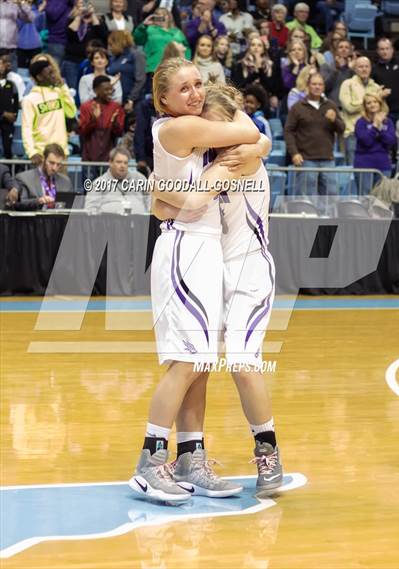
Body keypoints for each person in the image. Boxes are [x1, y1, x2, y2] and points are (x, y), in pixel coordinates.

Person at [128, 57, 263, 503]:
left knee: (201, 365)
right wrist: (222, 171)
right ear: (162, 99)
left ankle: (191, 455)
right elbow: (247, 131)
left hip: (204, 245)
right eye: (183, 89)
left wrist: (189, 190)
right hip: (183, 246)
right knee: (185, 362)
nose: (195, 94)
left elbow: (255, 140)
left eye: (198, 85)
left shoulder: (194, 128)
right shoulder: (177, 128)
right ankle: (149, 461)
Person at [150, 83, 283, 499]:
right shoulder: (208, 159)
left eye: (210, 124)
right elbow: (161, 207)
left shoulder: (241, 156)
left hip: (248, 272)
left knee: (243, 364)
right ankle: (190, 455)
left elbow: (179, 200)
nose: (203, 132)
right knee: (199, 366)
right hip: (211, 270)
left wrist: (259, 141)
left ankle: (268, 449)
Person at [284, 72, 345, 199]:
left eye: (320, 84)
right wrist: (294, 153)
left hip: (327, 159)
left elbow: (342, 129)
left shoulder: (331, 106)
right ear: (308, 86)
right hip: (306, 159)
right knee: (306, 198)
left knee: (331, 197)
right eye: (314, 84)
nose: (317, 87)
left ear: (323, 87)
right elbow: (288, 131)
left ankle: (328, 219)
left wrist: (335, 120)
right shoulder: (297, 107)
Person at [22, 59, 77, 166]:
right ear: (39, 77)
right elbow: (26, 128)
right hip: (42, 155)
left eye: (54, 72)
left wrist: (63, 88)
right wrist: (32, 152)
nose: (54, 76)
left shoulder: (58, 92)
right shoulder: (29, 99)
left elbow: (71, 113)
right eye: (50, 73)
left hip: (61, 153)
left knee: (63, 183)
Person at [339, 56, 386, 165]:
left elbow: (381, 111)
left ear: (370, 68)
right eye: (360, 67)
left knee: (372, 171)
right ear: (355, 69)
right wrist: (374, 98)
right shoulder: (347, 84)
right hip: (352, 134)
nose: (364, 69)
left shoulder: (376, 87)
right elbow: (349, 108)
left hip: (374, 134)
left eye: (366, 66)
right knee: (353, 172)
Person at [85, 146, 150, 214]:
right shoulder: (98, 183)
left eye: (125, 163)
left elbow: (150, 201)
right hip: (110, 223)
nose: (122, 166)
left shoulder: (139, 178)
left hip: (140, 222)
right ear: (110, 162)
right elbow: (90, 209)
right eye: (119, 162)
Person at [354, 93, 397, 195]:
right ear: (365, 106)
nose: (372, 105)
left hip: (383, 165)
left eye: (375, 102)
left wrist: (380, 128)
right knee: (365, 197)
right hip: (364, 165)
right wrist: (375, 126)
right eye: (369, 103)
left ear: (380, 104)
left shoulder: (388, 122)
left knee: (382, 199)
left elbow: (391, 141)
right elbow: (366, 141)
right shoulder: (361, 122)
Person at [61, 1, 108, 91]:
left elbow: (103, 34)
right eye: (81, 4)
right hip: (73, 60)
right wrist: (79, 16)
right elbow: (70, 34)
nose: (84, 7)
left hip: (92, 61)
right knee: (73, 89)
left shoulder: (98, 20)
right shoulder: (71, 20)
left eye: (86, 4)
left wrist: (93, 15)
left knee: (91, 88)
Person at [79, 75, 125, 164]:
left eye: (111, 89)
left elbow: (119, 133)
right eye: (106, 90)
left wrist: (114, 122)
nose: (110, 92)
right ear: (96, 91)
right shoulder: (86, 107)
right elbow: (82, 132)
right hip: (89, 159)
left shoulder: (116, 107)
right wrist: (94, 119)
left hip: (109, 159)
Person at [371, 38, 399, 124]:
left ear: (392, 49)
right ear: (377, 51)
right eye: (382, 49)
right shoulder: (374, 69)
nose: (385, 51)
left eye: (387, 48)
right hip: (384, 111)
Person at [133, 7, 191, 75]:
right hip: (153, 67)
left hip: (174, 68)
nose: (161, 17)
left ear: (169, 17)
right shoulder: (149, 29)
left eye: (164, 15)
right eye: (158, 15)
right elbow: (137, 39)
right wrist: (144, 25)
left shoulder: (177, 32)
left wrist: (185, 63)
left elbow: (186, 49)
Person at [14, 143, 73, 210]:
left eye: (58, 164)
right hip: (35, 219)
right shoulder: (24, 178)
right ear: (43, 159)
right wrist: (39, 201)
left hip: (58, 219)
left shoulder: (66, 182)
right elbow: (19, 204)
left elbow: (71, 206)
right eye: (51, 163)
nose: (54, 168)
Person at [107, 29, 146, 111]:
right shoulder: (113, 58)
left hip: (134, 102)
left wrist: (131, 99)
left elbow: (140, 80)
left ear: (119, 42)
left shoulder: (136, 55)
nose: (109, 48)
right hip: (116, 101)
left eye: (111, 44)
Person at [0, 0, 34, 71]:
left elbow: (30, 19)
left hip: (10, 50)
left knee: (13, 79)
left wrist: (22, 3)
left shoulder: (15, 4)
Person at [0, 53, 19, 159]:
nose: (2, 66)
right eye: (0, 63)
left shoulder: (12, 85)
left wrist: (14, 116)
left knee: (8, 150)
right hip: (3, 117)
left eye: (4, 63)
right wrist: (3, 113)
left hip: (8, 124)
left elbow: (16, 103)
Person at [45, 0, 73, 66]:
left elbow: (82, 5)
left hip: (73, 42)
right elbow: (52, 14)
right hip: (57, 41)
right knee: (54, 71)